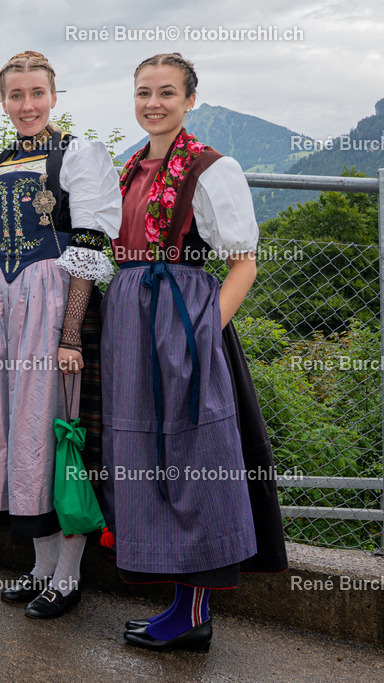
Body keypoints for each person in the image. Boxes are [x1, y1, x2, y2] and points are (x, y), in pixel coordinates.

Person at [107, 53, 288, 652]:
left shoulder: (212, 167)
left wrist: (201, 334)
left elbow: (244, 262)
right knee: (149, 456)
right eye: (143, 93)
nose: (152, 103)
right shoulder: (131, 166)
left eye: (166, 93)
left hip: (181, 319)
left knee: (194, 457)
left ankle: (193, 613)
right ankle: (180, 606)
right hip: (133, 320)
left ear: (190, 100)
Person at [0, 51, 120, 617]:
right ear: (3, 101)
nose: (27, 105)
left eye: (37, 93)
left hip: (54, 303)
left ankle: (68, 576)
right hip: (4, 302)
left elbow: (89, 246)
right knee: (11, 427)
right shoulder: (0, 161)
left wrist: (69, 336)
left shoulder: (78, 156)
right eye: (16, 95)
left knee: (57, 431)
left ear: (54, 97)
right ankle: (38, 566)